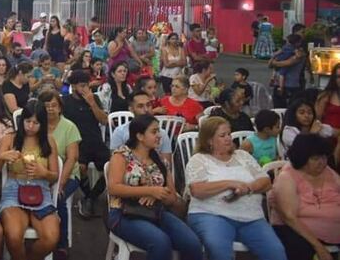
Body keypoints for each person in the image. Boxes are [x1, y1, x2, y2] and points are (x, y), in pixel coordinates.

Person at [185, 117, 287, 260]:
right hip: (211, 214)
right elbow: (197, 190)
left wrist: (249, 188)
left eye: (229, 134)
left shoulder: (242, 156)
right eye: (222, 136)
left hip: (251, 217)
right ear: (209, 140)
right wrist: (229, 183)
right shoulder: (199, 160)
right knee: (220, 251)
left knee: (276, 252)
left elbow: (266, 182)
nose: (228, 138)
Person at [107, 114, 203, 260]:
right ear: (139, 136)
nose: (159, 135)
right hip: (124, 212)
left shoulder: (160, 161)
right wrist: (150, 190)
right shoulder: (121, 155)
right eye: (154, 132)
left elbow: (171, 197)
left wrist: (159, 195)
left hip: (156, 211)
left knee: (192, 243)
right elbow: (113, 188)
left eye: (159, 131)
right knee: (160, 242)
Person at [0, 99, 60, 260]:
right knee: (14, 236)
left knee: (51, 238)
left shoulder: (49, 141)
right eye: (27, 121)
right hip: (13, 188)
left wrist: (43, 173)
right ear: (21, 121)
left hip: (40, 190)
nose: (30, 126)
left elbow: (54, 176)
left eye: (36, 123)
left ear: (42, 124)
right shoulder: (10, 138)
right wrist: (2, 157)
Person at [269, 133, 340, 260]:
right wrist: (319, 247)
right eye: (315, 158)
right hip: (296, 231)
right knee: (298, 248)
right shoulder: (287, 176)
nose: (322, 162)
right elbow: (289, 217)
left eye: (324, 157)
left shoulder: (327, 171)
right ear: (302, 157)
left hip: (333, 229)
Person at [38, 90, 81, 257]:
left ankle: (61, 243)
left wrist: (61, 183)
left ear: (60, 108)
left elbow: (72, 158)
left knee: (58, 199)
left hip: (68, 175)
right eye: (46, 106)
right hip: (44, 174)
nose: (50, 109)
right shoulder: (38, 126)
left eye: (54, 105)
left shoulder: (69, 126)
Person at [63, 69, 109, 218]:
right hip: (76, 144)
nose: (85, 89)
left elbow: (104, 120)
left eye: (87, 85)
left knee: (111, 167)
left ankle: (91, 197)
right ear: (74, 86)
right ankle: (88, 197)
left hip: (95, 141)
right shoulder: (65, 101)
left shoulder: (94, 98)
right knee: (81, 167)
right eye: (82, 86)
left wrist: (92, 104)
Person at [110, 90, 172, 165]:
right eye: (140, 106)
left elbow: (167, 166)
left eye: (148, 105)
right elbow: (114, 163)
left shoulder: (162, 134)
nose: (146, 110)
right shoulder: (120, 132)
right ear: (131, 109)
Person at [315, 63, 340, 132]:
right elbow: (317, 120)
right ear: (334, 79)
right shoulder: (326, 96)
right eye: (339, 77)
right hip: (327, 136)